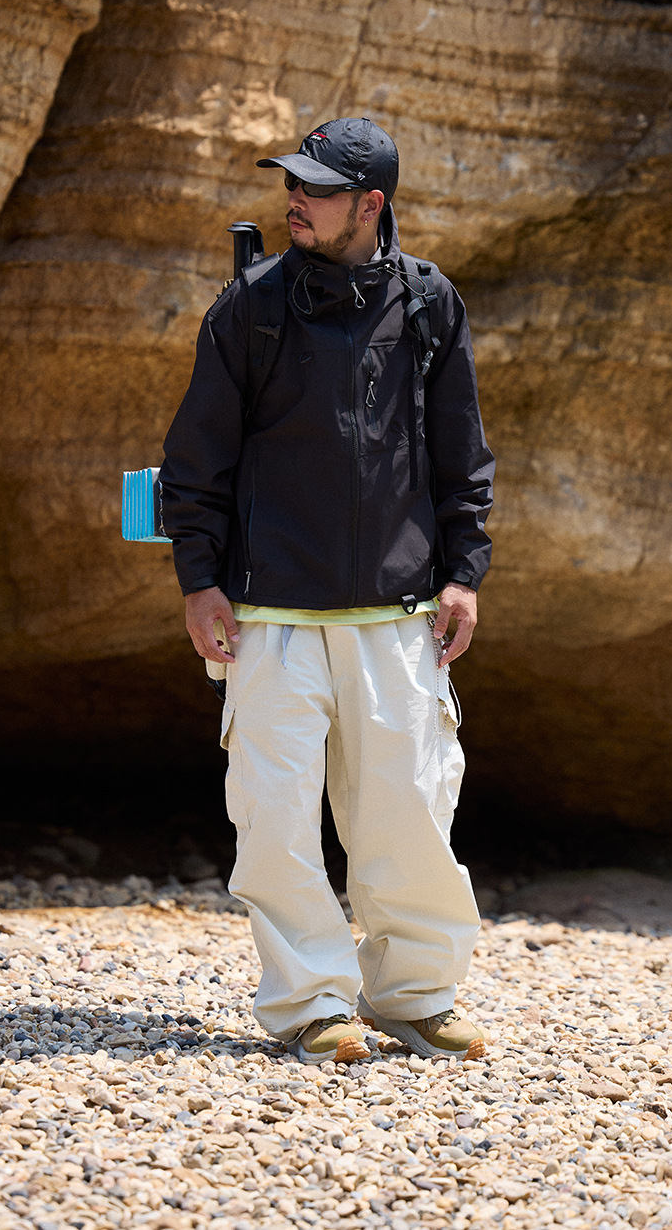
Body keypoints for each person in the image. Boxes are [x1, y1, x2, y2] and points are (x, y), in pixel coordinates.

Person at [160, 117, 495, 1064]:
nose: (293, 199)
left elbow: (463, 457)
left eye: (315, 187)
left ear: (370, 204)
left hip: (398, 615)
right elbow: (196, 462)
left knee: (410, 814)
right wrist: (199, 581)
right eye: (291, 183)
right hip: (268, 614)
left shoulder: (429, 303)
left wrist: (463, 574)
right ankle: (313, 1003)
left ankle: (416, 996)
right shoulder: (250, 307)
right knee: (274, 820)